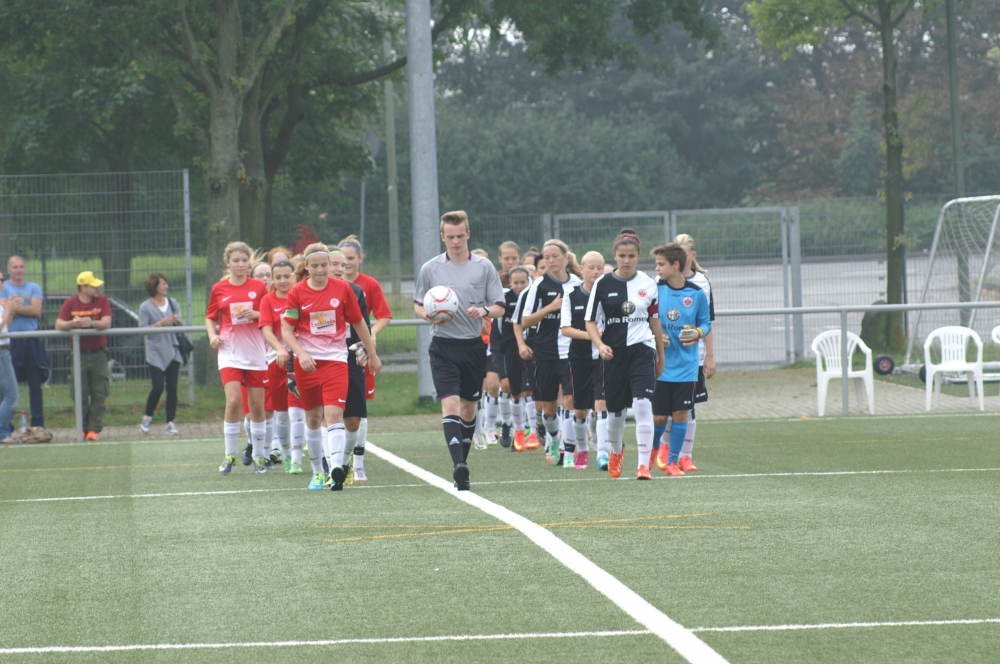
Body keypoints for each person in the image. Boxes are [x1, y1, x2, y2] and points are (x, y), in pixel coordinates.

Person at [413, 210, 505, 491]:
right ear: (443, 236)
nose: (455, 241)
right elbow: (418, 303)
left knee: (468, 407)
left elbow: (500, 306)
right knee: (450, 404)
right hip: (443, 346)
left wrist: (484, 310)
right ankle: (458, 465)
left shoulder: (484, 267)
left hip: (473, 346)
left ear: (468, 234)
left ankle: (461, 463)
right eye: (450, 236)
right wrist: (429, 315)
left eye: (460, 236)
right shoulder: (430, 268)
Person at [282, 243, 381, 492]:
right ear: (306, 266)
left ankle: (337, 468)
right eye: (315, 266)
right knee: (313, 418)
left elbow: (359, 323)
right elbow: (287, 330)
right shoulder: (297, 292)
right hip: (307, 364)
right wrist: (301, 354)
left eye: (324, 265)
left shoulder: (343, 289)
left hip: (336, 361)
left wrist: (372, 354)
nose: (320, 270)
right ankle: (318, 472)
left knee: (335, 414)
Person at [585, 228, 664, 480]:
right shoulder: (602, 284)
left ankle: (643, 466)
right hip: (613, 355)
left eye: (631, 256)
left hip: (643, 351)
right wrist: (600, 345)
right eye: (622, 256)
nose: (626, 260)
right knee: (615, 414)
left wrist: (660, 355)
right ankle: (616, 451)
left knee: (643, 404)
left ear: (638, 256)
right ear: (615, 256)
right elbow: (589, 321)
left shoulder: (649, 283)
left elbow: (655, 321)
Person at [513, 239, 582, 467]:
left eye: (555, 256)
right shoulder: (539, 285)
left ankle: (568, 450)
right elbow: (525, 321)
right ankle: (553, 438)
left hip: (571, 352)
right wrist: (550, 307)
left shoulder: (578, 283)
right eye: (547, 257)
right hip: (545, 353)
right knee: (549, 408)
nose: (551, 261)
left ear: (565, 258)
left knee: (571, 400)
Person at [207, 242, 270, 474]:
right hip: (230, 352)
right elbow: (210, 316)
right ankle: (230, 455)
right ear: (228, 263)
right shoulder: (219, 289)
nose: (241, 264)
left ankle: (259, 456)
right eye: (236, 261)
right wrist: (212, 335)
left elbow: (270, 314)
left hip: (255, 352)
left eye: (244, 260)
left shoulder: (259, 287)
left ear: (249, 263)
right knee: (233, 401)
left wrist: (258, 314)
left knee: (257, 405)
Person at [650, 242, 711, 477]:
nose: (657, 268)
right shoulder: (655, 290)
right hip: (661, 365)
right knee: (659, 417)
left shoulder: (696, 293)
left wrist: (697, 333)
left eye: (661, 264)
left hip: (687, 366)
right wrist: (656, 336)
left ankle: (673, 462)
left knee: (680, 414)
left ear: (675, 265)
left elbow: (705, 323)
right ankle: (651, 454)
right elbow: (644, 320)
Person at [338, 234, 392, 480]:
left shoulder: (367, 285)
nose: (346, 264)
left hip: (359, 352)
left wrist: (371, 335)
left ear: (360, 259)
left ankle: (358, 461)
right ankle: (336, 457)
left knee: (359, 406)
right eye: (342, 260)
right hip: (334, 352)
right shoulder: (328, 285)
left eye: (351, 258)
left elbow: (383, 316)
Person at [560, 250, 609, 470]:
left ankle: (603, 454)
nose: (596, 271)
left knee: (601, 404)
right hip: (578, 359)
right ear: (581, 269)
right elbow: (566, 329)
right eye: (591, 267)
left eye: (600, 267)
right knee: (580, 410)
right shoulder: (571, 295)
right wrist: (593, 335)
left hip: (603, 358)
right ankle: (581, 450)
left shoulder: (609, 294)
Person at [56, 271, 113, 441]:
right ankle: (81, 428)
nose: (97, 288)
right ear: (83, 287)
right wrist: (73, 323)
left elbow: (107, 322)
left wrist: (93, 323)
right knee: (79, 392)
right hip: (78, 354)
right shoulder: (70, 303)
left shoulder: (102, 301)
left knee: (99, 392)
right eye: (93, 286)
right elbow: (59, 324)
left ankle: (93, 429)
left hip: (99, 353)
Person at [259, 259, 297, 472]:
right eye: (278, 277)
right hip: (277, 360)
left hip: (303, 360)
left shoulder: (301, 295)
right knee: (281, 411)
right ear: (272, 279)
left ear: (294, 276)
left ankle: (302, 455)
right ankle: (288, 454)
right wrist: (281, 349)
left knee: (304, 411)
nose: (283, 281)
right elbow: (266, 329)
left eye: (287, 276)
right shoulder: (268, 300)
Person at [0, 255, 47, 429]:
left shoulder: (33, 287)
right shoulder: (3, 287)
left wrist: (13, 308)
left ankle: (38, 425)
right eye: (15, 267)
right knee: (8, 390)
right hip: (11, 341)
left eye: (21, 267)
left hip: (31, 340)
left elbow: (36, 310)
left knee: (35, 385)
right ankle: (6, 427)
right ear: (9, 269)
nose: (18, 270)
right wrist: (13, 309)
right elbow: (4, 310)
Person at [139, 273, 183, 436]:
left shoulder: (173, 303)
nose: (166, 286)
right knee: (158, 387)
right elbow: (142, 329)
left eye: (166, 283)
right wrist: (160, 323)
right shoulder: (145, 307)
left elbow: (181, 324)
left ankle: (171, 422)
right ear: (154, 287)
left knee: (172, 388)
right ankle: (147, 417)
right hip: (155, 351)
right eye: (162, 284)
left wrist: (178, 320)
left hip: (173, 349)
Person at [498, 266, 531, 451]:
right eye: (515, 283)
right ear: (510, 282)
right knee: (515, 390)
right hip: (511, 349)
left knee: (531, 390)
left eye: (523, 282)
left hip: (532, 347)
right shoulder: (504, 299)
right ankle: (518, 431)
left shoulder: (533, 297)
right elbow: (498, 328)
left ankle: (534, 432)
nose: (519, 286)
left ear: (529, 281)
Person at [0, 278, 22, 443]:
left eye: (2, 279)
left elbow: (6, 325)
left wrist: (11, 310)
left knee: (4, 396)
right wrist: (8, 309)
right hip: (1, 353)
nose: (1, 282)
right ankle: (1, 433)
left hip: (5, 351)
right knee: (12, 396)